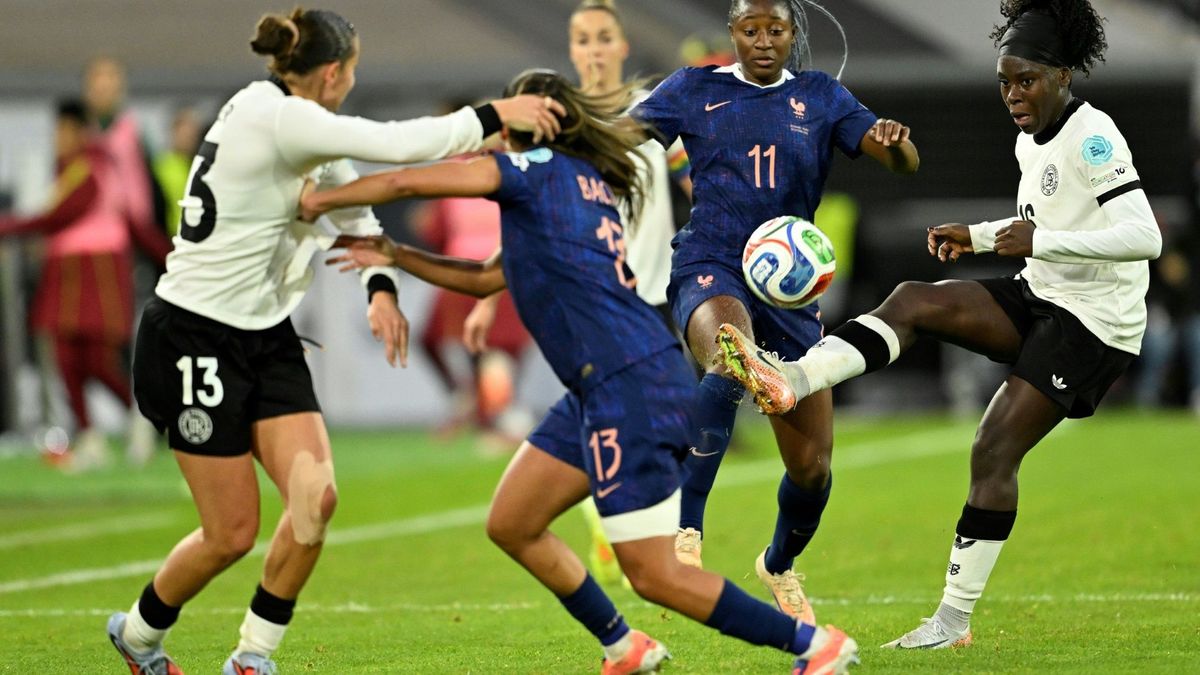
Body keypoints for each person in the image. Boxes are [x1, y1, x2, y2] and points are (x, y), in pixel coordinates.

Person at [307, 68, 860, 675]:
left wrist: (318, 200)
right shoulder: (575, 180)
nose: (492, 124)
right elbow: (487, 277)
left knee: (652, 574)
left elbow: (406, 179)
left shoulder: (530, 169)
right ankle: (624, 647)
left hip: (630, 387)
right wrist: (395, 255)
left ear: (532, 119)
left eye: (505, 109)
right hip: (605, 384)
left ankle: (815, 647)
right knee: (513, 522)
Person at [103, 8, 565, 675]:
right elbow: (401, 146)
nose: (351, 81)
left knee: (315, 499)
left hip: (263, 334)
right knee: (230, 532)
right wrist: (495, 113)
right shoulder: (281, 117)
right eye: (351, 70)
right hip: (193, 337)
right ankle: (140, 634)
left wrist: (379, 287)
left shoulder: (292, 119)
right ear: (331, 73)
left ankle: (252, 657)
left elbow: (353, 208)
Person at [716, 0, 1159, 649]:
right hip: (1043, 293)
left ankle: (951, 623)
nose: (1012, 93)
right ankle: (794, 378)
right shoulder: (1026, 136)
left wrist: (1041, 242)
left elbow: (1143, 235)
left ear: (1063, 75)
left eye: (1026, 80)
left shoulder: (1094, 136)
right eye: (1004, 80)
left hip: (1095, 324)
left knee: (993, 449)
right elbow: (1034, 230)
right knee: (915, 298)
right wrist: (977, 235)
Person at [627, 0, 919, 622]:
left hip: (789, 291)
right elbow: (624, 136)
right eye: (750, 29)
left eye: (776, 30)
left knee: (812, 468)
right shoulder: (694, 88)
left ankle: (779, 563)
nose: (763, 40)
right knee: (731, 353)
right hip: (711, 262)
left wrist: (895, 144)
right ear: (733, 33)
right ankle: (685, 532)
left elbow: (901, 161)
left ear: (793, 34)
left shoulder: (821, 96)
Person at [463, 0, 697, 586]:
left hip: (653, 293)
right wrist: (488, 294)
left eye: (604, 37)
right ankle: (631, 529)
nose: (594, 49)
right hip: (594, 296)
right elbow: (526, 212)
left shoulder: (654, 111)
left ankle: (637, 529)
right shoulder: (558, 123)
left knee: (640, 423)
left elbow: (698, 177)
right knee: (618, 419)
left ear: (622, 46)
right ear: (572, 50)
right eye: (584, 39)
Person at [0, 99, 169, 470]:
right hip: (66, 271)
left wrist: (172, 257)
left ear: (79, 131)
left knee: (96, 358)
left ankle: (139, 416)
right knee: (64, 356)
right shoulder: (66, 169)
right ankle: (89, 438)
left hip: (97, 271)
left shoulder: (95, 167)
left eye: (64, 131)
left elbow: (59, 216)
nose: (58, 138)